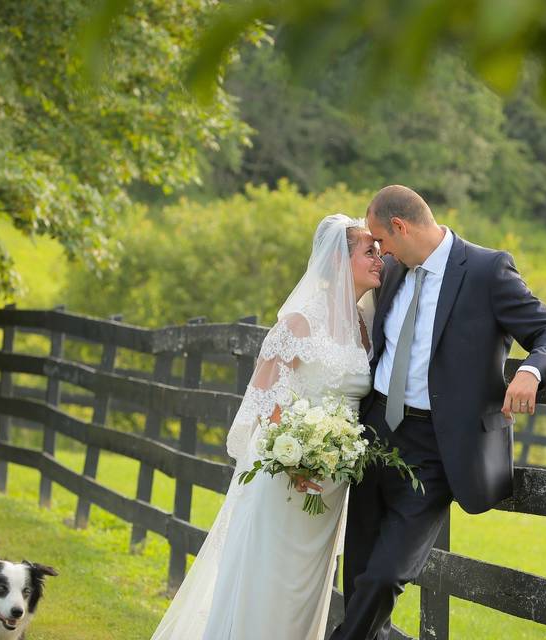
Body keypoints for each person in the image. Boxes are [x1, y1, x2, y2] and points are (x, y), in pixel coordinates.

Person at [329, 185, 546, 640]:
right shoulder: (398, 272)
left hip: (436, 450)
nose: (380, 253)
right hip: (373, 433)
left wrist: (532, 372)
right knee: (360, 570)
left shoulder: (486, 270)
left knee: (386, 576)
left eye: (382, 241)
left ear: (401, 228)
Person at [150, 214, 383, 640]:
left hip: (333, 482)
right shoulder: (300, 321)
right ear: (338, 261)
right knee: (272, 577)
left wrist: (334, 455)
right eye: (370, 251)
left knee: (310, 586)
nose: (379, 260)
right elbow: (264, 394)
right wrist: (292, 454)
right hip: (288, 473)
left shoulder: (363, 327)